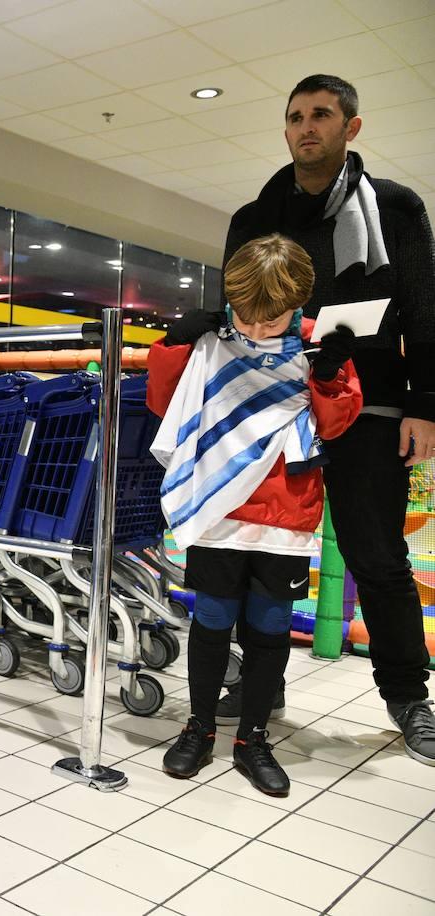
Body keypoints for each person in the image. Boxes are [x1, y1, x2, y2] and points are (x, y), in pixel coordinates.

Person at [219, 74, 435, 764]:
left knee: (377, 557)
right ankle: (262, 685)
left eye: (320, 115)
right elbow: (237, 313)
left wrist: (424, 407)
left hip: (371, 407)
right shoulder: (256, 218)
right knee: (262, 555)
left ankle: (408, 697)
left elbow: (424, 314)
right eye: (295, 117)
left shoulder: (396, 209)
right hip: (280, 410)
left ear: (351, 127)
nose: (306, 126)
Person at [151, 235, 361, 796]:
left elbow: (337, 425)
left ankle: (254, 738)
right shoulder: (213, 338)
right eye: (247, 316)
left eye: (273, 319)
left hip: (286, 510)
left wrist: (329, 374)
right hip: (218, 505)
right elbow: (164, 404)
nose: (259, 329)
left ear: (298, 304)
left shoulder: (318, 343)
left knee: (269, 627)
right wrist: (173, 344)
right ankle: (198, 728)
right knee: (213, 619)